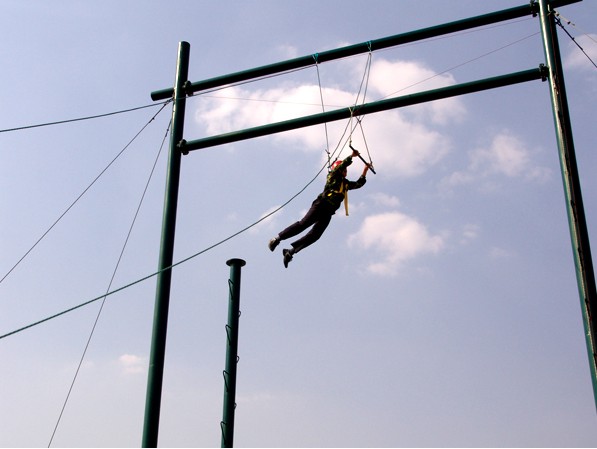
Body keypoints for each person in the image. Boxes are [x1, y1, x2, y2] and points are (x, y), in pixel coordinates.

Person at [268, 148, 370, 267]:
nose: (345, 171)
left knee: (316, 235)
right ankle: (277, 239)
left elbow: (359, 184)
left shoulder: (345, 184)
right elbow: (339, 167)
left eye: (346, 170)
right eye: (344, 169)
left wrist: (365, 170)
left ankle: (290, 252)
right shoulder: (332, 176)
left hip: (329, 212)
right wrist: (351, 157)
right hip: (321, 204)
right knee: (303, 224)